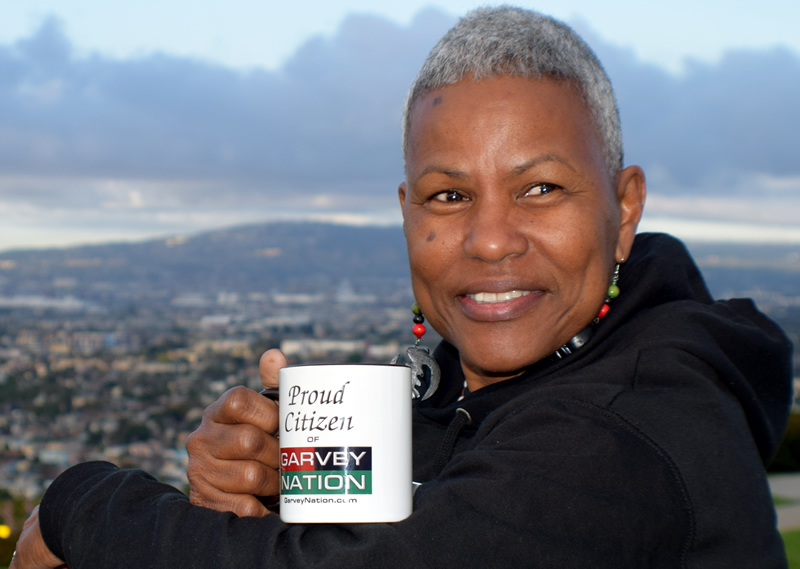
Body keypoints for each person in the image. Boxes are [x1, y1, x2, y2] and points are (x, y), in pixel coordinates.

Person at [12, 6, 792, 569]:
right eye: (449, 195)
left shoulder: (624, 427)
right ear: (407, 213)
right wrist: (261, 482)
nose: (490, 238)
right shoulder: (466, 391)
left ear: (624, 210)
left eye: (541, 188)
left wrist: (83, 504)